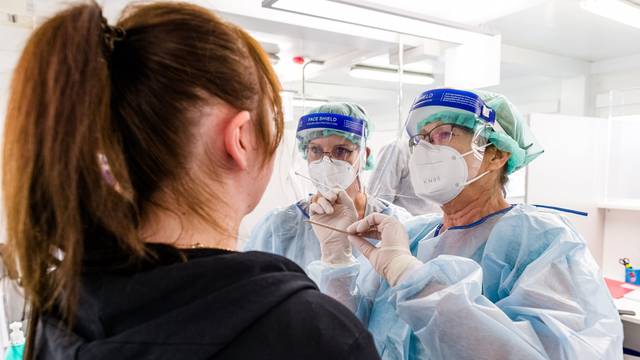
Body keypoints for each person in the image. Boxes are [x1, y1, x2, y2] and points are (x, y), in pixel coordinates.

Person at [2, 2, 380, 359]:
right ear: (241, 139)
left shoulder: (56, 314)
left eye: (342, 150)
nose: (325, 160)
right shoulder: (313, 335)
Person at [313, 88, 624, 359]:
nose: (424, 150)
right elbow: (349, 334)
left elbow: (546, 353)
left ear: (497, 153)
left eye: (444, 134)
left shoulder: (540, 240)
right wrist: (337, 256)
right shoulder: (412, 234)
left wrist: (410, 276)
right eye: (420, 139)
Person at [244, 103, 412, 272]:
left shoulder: (395, 223)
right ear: (305, 152)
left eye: (341, 150)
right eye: (315, 150)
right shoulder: (280, 227)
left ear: (364, 155)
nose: (326, 162)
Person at [367, 140, 440, 216]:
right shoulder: (398, 149)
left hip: (438, 225)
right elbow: (377, 205)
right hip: (403, 226)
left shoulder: (444, 154)